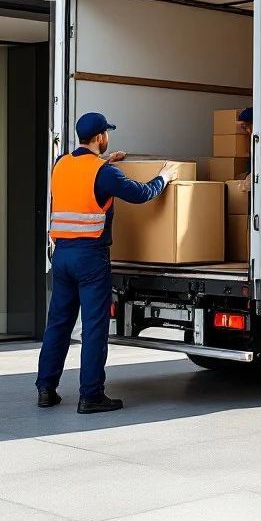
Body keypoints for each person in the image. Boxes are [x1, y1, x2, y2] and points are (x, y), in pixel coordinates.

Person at [36, 112, 177, 413]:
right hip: (90, 258)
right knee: (94, 327)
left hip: (62, 255)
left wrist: (107, 161)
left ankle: (46, 389)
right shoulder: (104, 173)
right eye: (107, 133)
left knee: (58, 324)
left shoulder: (61, 164)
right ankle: (91, 396)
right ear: (100, 137)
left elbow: (83, 180)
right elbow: (141, 194)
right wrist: (165, 176)